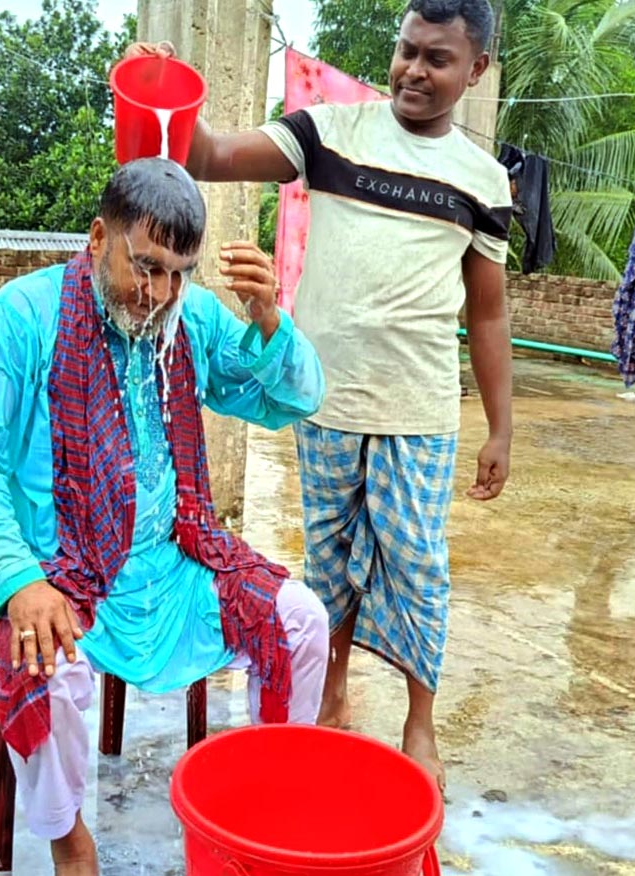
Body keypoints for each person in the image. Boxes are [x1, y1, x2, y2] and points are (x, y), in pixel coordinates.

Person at [122, 0, 514, 790]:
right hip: (326, 403)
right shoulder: (328, 132)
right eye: (406, 51)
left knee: (415, 565)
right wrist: (160, 88)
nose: (413, 70)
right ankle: (331, 693)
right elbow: (208, 153)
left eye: (438, 59)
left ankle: (419, 723)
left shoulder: (484, 180)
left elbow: (488, 309)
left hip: (419, 410)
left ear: (475, 72)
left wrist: (501, 426)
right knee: (329, 560)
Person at [0, 158, 330, 875]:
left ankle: (263, 807)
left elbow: (291, 401)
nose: (160, 294)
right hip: (59, 570)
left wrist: (272, 322)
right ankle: (70, 840)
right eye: (146, 267)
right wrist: (18, 581)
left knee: (301, 621)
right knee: (44, 662)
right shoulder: (22, 317)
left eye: (180, 272)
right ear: (98, 238)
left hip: (170, 566)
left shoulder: (189, 319)